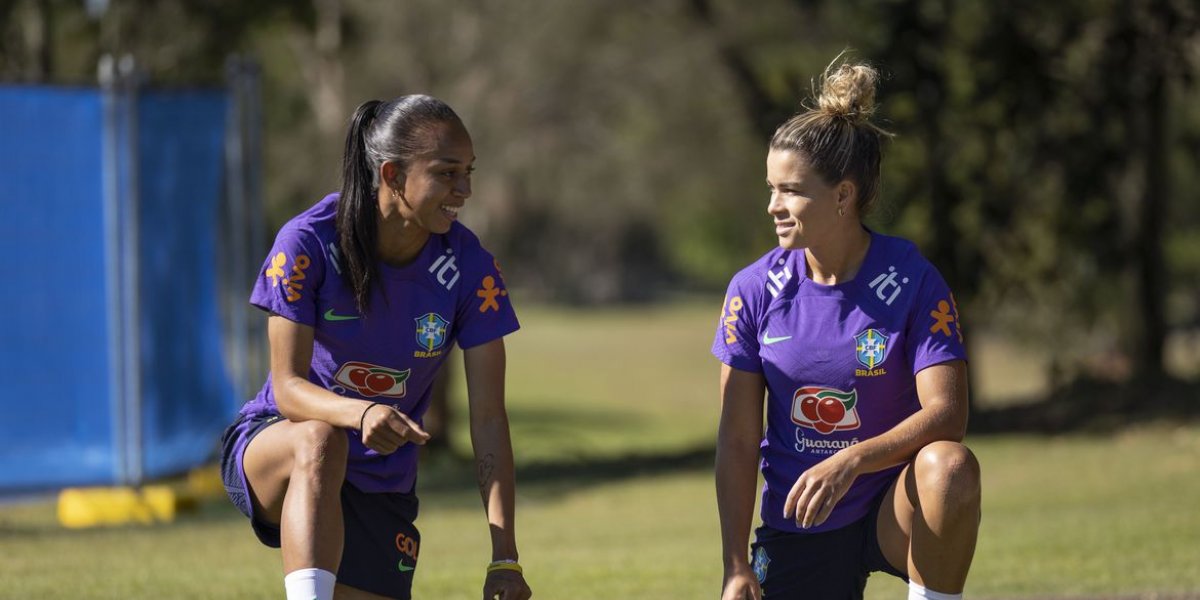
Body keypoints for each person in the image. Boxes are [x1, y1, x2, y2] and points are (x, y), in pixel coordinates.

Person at [220, 95, 533, 600]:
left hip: (381, 485)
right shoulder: (307, 242)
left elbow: (489, 420)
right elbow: (287, 388)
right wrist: (360, 414)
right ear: (391, 174)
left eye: (468, 172)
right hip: (280, 445)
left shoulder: (471, 269)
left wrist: (505, 558)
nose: (465, 189)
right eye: (447, 173)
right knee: (321, 440)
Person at [713, 58, 981, 600]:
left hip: (891, 506)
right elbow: (738, 439)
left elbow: (948, 415)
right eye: (771, 188)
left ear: (842, 196)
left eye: (791, 191)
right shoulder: (752, 290)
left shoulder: (911, 279)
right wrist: (735, 564)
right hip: (801, 518)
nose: (774, 207)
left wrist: (853, 460)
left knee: (949, 467)